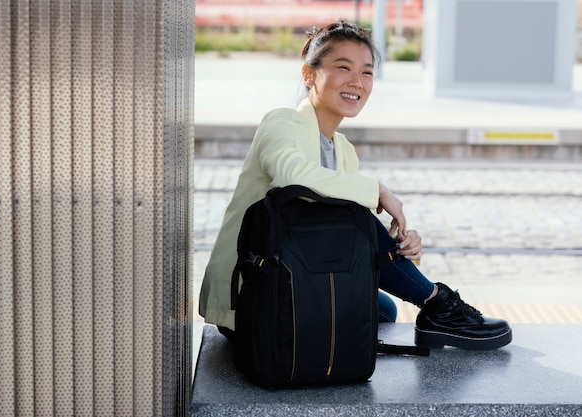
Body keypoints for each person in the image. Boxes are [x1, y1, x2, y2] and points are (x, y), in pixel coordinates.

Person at [199, 20, 512, 350]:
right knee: (357, 225)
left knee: (385, 308)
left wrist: (403, 244)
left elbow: (357, 238)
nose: (356, 82)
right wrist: (377, 190)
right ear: (309, 75)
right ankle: (437, 303)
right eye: (343, 68)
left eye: (366, 72)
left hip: (298, 273)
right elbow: (292, 178)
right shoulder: (282, 124)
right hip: (256, 291)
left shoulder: (344, 150)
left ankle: (433, 303)